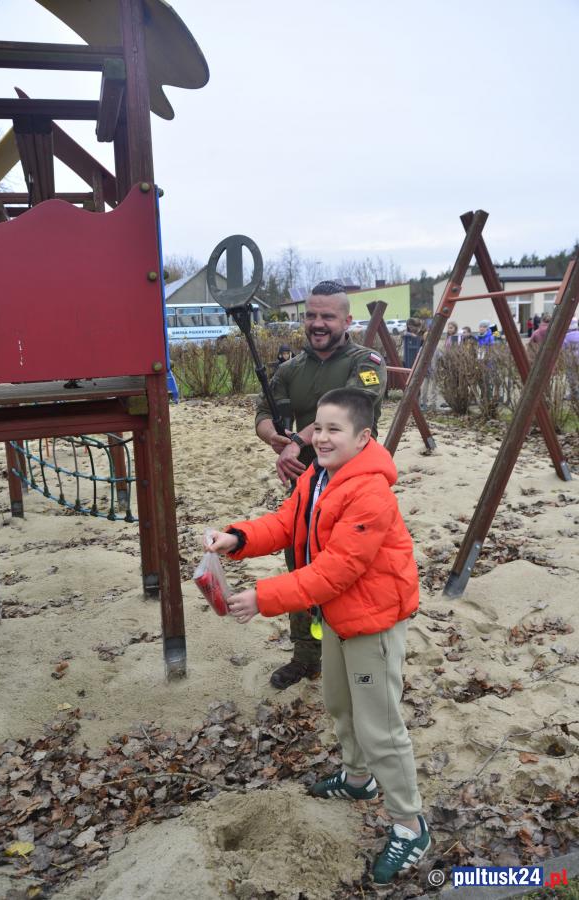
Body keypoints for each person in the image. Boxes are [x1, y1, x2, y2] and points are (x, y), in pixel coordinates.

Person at [208, 388, 430, 885]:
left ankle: (410, 824)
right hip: (336, 616)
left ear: (363, 437)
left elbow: (337, 570)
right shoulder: (318, 475)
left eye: (335, 430)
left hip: (372, 620)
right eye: (319, 428)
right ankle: (357, 778)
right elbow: (288, 521)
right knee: (339, 703)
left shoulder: (369, 492)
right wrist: (238, 537)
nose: (323, 438)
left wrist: (263, 597)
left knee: (380, 725)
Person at [254, 281, 387, 689]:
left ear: (347, 320)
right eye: (311, 315)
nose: (317, 323)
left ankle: (355, 648)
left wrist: (297, 440)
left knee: (349, 569)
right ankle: (306, 656)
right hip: (304, 485)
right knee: (301, 563)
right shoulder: (291, 368)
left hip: (353, 487)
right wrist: (275, 438)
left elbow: (349, 410)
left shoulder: (366, 362)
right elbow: (264, 412)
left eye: (327, 316)